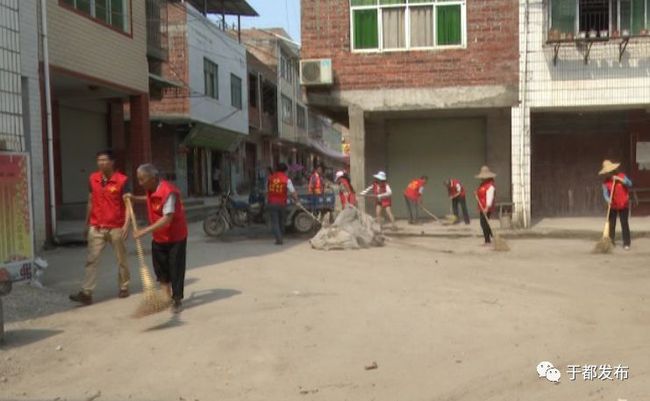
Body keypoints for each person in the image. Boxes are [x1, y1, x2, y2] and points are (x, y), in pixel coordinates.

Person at [69, 150, 131, 306]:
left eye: (104, 160)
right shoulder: (93, 179)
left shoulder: (122, 180)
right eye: (99, 160)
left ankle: (124, 286)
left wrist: (126, 225)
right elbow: (90, 201)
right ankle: (86, 293)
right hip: (96, 226)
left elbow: (128, 204)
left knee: (121, 259)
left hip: (116, 226)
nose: (101, 163)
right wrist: (86, 223)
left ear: (112, 162)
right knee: (91, 260)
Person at [125, 164, 188, 313]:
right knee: (161, 268)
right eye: (138, 179)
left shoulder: (169, 192)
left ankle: (177, 299)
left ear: (153, 178)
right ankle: (166, 298)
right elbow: (149, 199)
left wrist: (144, 231)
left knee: (175, 268)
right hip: (159, 237)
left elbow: (167, 218)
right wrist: (134, 198)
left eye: (142, 179)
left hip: (175, 236)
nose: (140, 183)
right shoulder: (151, 189)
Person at [599, 159, 633, 250]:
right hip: (613, 205)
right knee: (612, 224)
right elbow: (605, 194)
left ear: (613, 170)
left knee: (624, 223)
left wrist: (619, 179)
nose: (607, 174)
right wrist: (607, 200)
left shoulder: (622, 176)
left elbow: (630, 183)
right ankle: (611, 242)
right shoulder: (605, 183)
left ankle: (627, 243)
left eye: (609, 172)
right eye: (606, 172)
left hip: (624, 204)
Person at [267, 163, 299, 245]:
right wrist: (296, 200)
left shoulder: (270, 178)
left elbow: (267, 190)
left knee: (275, 222)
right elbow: (293, 192)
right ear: (285, 170)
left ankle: (279, 239)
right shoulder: (286, 179)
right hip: (282, 203)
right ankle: (280, 237)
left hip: (272, 202)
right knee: (281, 221)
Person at [475, 166, 497, 245]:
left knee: (484, 223)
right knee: (484, 223)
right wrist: (476, 193)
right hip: (482, 207)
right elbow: (481, 193)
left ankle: (487, 240)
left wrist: (487, 207)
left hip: (486, 207)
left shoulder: (490, 186)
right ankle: (492, 237)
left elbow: (490, 197)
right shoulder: (483, 184)